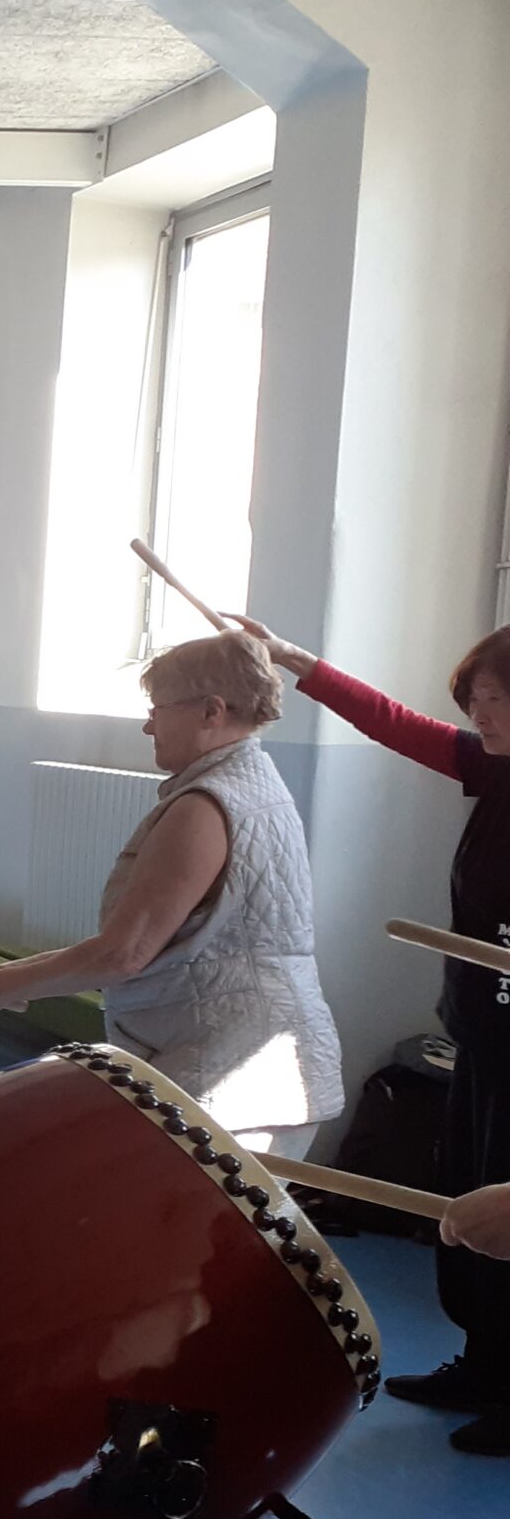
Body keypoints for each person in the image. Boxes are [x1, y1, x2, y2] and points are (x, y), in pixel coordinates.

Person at [239, 610, 510, 1451]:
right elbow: (393, 723)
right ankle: (483, 1363)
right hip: (482, 1035)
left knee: (505, 1212)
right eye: (475, 699)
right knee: (461, 1201)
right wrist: (296, 661)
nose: (480, 714)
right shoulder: (493, 766)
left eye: (497, 698)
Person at [0, 633, 341, 1150]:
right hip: (257, 1063)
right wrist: (8, 981)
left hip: (238, 1071)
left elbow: (124, 952)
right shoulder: (255, 782)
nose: (149, 726)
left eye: (158, 710)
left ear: (211, 711)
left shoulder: (207, 805)